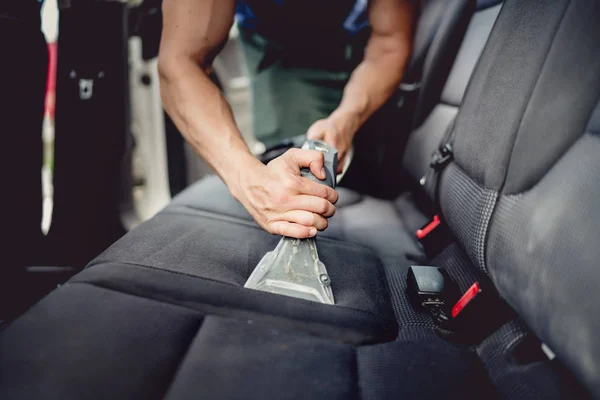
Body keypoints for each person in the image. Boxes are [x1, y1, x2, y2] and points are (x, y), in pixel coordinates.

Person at [158, 0, 415, 239]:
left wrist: (345, 119)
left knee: (368, 163)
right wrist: (250, 179)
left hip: (360, 37)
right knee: (294, 187)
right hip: (278, 42)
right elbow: (181, 62)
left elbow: (389, 44)